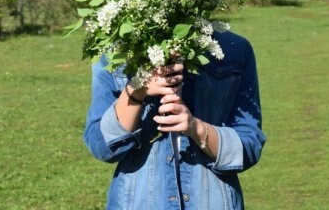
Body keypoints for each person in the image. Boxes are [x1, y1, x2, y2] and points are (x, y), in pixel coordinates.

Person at [83, 30, 265, 209]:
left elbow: (249, 144)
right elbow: (102, 146)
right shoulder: (114, 49)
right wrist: (137, 89)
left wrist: (196, 128)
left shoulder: (235, 50)